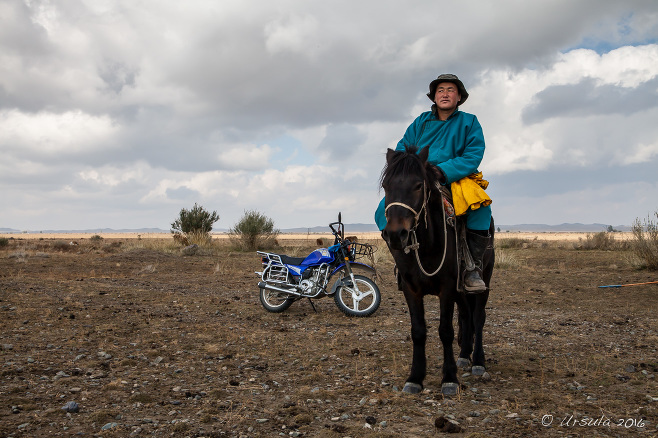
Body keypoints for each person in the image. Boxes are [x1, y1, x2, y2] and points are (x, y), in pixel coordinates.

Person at [375, 73, 492, 292]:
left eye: (450, 90)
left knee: (481, 208)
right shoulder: (420, 122)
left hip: (455, 177)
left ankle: (472, 268)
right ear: (434, 97)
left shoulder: (469, 122)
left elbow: (473, 154)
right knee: (383, 210)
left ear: (459, 97)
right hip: (420, 177)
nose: (445, 94)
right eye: (440, 90)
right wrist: (412, 169)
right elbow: (402, 149)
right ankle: (404, 262)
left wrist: (443, 170)